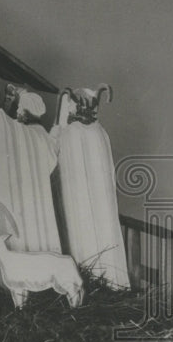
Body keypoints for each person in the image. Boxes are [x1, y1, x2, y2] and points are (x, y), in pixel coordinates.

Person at [52, 87, 130, 288]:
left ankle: (87, 278)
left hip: (81, 205)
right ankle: (104, 277)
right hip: (95, 206)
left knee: (81, 220)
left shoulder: (72, 133)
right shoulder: (99, 133)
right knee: (98, 218)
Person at [0, 87, 62, 254]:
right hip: (39, 197)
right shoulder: (43, 135)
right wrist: (15, 97)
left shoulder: (21, 131)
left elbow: (4, 123)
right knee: (39, 229)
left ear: (26, 111)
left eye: (20, 109)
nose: (18, 112)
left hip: (20, 196)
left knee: (19, 230)